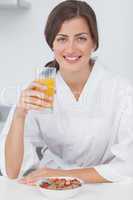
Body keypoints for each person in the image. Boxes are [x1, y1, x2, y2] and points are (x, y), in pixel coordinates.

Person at [0, 0, 133, 184]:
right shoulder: (37, 91)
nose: (70, 49)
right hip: (51, 188)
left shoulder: (122, 92)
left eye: (81, 38)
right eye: (62, 39)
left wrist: (67, 175)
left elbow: (129, 165)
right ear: (52, 44)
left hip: (103, 188)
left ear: (94, 42)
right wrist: (20, 114)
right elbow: (12, 171)